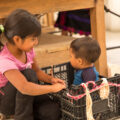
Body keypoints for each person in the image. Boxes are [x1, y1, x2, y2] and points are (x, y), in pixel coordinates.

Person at [0, 9, 66, 120]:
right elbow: (24, 87)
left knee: (52, 111)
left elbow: (37, 71)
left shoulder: (28, 50)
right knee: (28, 74)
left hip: (27, 96)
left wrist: (51, 80)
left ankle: (28, 113)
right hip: (7, 102)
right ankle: (22, 117)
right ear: (17, 39)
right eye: (33, 39)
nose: (36, 42)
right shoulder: (4, 60)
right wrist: (52, 89)